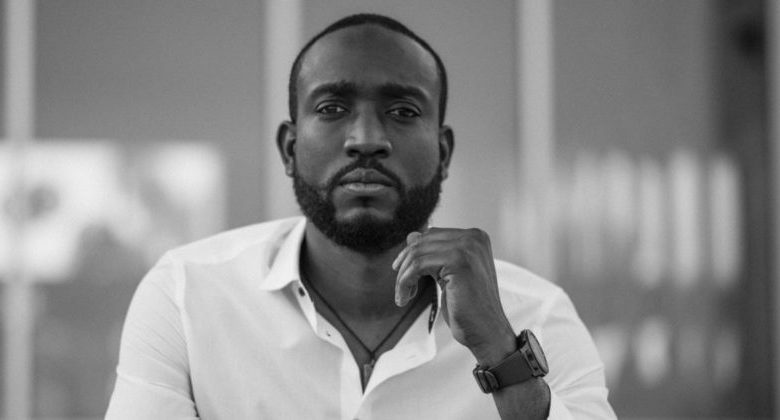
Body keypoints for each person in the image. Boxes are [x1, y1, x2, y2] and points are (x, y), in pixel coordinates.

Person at [106, 13, 616, 419]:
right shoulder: (187, 295)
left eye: (403, 111)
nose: (367, 139)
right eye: (331, 108)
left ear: (443, 152)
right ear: (289, 148)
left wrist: (502, 353)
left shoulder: (538, 316)